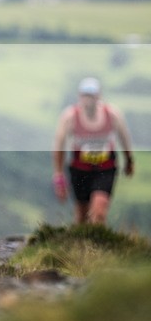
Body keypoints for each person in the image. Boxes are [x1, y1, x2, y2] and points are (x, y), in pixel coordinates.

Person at [52, 77, 134, 225]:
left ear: (99, 96)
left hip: (105, 168)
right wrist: (59, 177)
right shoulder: (70, 117)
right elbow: (59, 147)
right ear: (79, 96)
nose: (88, 100)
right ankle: (81, 245)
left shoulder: (112, 115)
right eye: (85, 95)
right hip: (79, 170)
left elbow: (124, 138)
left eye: (92, 95)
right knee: (82, 214)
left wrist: (129, 160)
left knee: (99, 210)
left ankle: (98, 244)